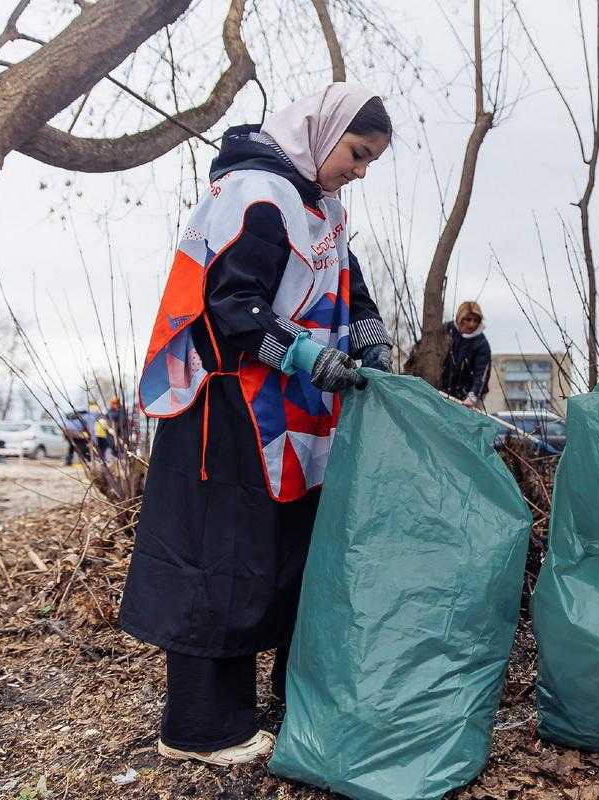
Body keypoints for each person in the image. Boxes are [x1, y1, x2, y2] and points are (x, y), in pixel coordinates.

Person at [119, 83, 394, 767]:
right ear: (322, 133)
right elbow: (230, 307)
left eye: (369, 164)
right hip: (224, 411)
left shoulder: (319, 207)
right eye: (357, 155)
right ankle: (199, 729)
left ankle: (268, 700)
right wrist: (304, 354)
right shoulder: (256, 194)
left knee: (278, 556)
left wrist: (371, 335)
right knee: (222, 562)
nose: (359, 172)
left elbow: (345, 286)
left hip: (285, 411)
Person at [439, 300, 491, 408]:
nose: (471, 324)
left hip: (468, 397)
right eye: (468, 319)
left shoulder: (481, 344)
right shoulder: (447, 331)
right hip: (442, 392)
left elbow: (481, 375)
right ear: (460, 318)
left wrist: (473, 396)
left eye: (476, 320)